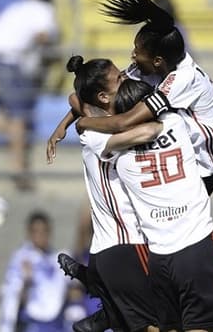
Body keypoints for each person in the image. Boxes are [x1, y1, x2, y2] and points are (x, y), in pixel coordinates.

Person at [47, 0, 213, 196]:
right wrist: (63, 124)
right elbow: (98, 90)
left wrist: (85, 121)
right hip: (183, 154)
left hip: (202, 169)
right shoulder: (153, 67)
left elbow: (125, 121)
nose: (133, 55)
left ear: (157, 61)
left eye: (137, 51)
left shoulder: (183, 78)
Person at [107, 78, 213, 332]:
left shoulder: (115, 153)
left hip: (158, 257)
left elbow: (87, 113)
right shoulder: (177, 124)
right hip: (197, 246)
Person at [58, 55, 160, 332]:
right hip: (129, 244)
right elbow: (145, 130)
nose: (127, 79)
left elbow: (74, 98)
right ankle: (103, 307)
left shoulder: (90, 125)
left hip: (104, 250)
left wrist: (66, 124)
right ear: (103, 97)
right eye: (119, 79)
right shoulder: (103, 135)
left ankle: (102, 306)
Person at [0, 0, 58, 191]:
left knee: (3, 117)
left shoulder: (20, 6)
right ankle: (18, 169)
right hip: (10, 58)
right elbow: (43, 35)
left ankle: (8, 133)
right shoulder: (45, 10)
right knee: (19, 117)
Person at [0, 210, 69, 332]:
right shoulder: (21, 259)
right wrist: (26, 283)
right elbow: (12, 298)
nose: (41, 236)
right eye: (36, 232)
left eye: (44, 231)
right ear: (29, 234)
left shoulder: (55, 259)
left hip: (56, 323)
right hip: (32, 323)